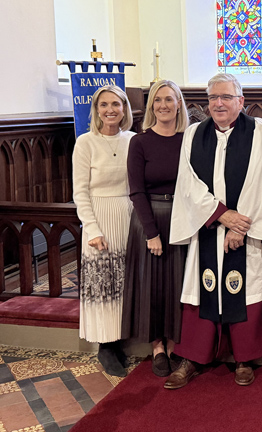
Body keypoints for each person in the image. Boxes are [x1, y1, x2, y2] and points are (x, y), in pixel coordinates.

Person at [165, 73, 262, 389]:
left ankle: (244, 357)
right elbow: (188, 183)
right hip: (208, 228)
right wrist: (222, 216)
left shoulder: (260, 131)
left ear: (240, 101)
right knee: (201, 289)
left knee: (245, 289)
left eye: (226, 97)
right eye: (213, 97)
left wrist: (240, 226)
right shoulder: (194, 134)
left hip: (246, 229)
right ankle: (192, 357)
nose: (219, 103)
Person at [121, 80, 189, 377]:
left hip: (182, 218)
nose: (163, 105)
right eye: (158, 100)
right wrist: (151, 233)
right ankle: (158, 347)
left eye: (169, 99)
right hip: (149, 219)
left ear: (178, 104)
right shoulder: (140, 142)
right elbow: (136, 190)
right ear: (151, 107)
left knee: (179, 284)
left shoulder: (188, 140)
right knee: (153, 286)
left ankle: (176, 344)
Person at [72, 85, 135, 377]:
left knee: (122, 281)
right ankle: (105, 346)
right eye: (104, 105)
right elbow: (80, 192)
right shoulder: (85, 143)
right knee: (102, 284)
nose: (110, 110)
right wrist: (92, 228)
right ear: (96, 110)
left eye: (116, 104)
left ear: (124, 109)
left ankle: (119, 338)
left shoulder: (132, 140)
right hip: (98, 217)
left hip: (127, 215)